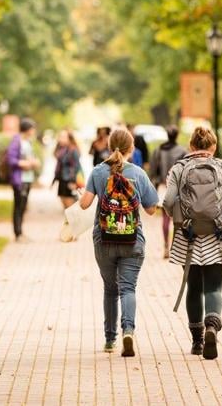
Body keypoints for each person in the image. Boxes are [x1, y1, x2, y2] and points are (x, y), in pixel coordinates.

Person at [163, 126, 222, 360]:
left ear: (191, 147)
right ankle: (212, 326)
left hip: (187, 237)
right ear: (213, 147)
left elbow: (168, 201)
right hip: (219, 237)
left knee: (194, 287)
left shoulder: (179, 169)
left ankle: (197, 342)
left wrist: (180, 217)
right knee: (213, 287)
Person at [79, 128, 159, 357]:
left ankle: (109, 340)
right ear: (131, 148)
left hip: (104, 240)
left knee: (110, 289)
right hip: (132, 240)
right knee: (128, 288)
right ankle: (128, 330)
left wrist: (82, 194)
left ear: (108, 145)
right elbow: (152, 209)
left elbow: (84, 205)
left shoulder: (97, 172)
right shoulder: (138, 174)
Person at [149, 125, 187, 259]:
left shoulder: (158, 150)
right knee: (177, 219)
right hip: (178, 188)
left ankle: (166, 245)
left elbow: (152, 172)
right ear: (176, 135)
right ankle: (175, 248)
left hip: (163, 188)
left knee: (165, 218)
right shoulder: (183, 151)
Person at [6, 118, 41, 242]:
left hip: (28, 178)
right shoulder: (16, 142)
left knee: (24, 206)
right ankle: (18, 234)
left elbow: (30, 157)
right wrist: (23, 163)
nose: (33, 131)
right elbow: (10, 160)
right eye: (32, 129)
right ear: (27, 130)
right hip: (19, 179)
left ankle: (21, 232)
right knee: (18, 206)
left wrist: (34, 162)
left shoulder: (28, 142)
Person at [53, 129, 82, 209]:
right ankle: (68, 221)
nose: (60, 139)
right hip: (62, 179)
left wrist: (73, 181)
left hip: (69, 180)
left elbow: (76, 167)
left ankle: (71, 221)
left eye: (63, 137)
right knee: (63, 201)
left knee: (69, 205)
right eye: (60, 136)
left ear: (69, 138)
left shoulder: (73, 150)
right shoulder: (63, 149)